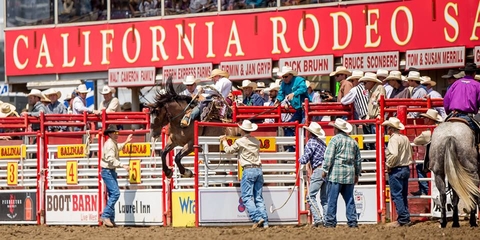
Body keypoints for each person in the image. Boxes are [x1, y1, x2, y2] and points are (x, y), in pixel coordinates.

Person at [220, 120, 268, 229]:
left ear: (242, 129)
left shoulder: (240, 141)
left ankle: (257, 218)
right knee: (258, 197)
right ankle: (265, 222)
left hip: (248, 169)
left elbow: (228, 150)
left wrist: (224, 141)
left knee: (247, 197)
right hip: (258, 169)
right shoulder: (257, 141)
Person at [322, 118, 361, 228]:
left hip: (335, 175)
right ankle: (352, 222)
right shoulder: (353, 142)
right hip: (349, 175)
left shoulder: (334, 140)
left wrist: (325, 170)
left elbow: (329, 157)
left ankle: (330, 222)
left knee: (332, 200)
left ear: (336, 129)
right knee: (349, 199)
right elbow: (358, 160)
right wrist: (357, 174)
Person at [382, 117, 413, 227]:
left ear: (390, 129)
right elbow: (410, 152)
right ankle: (405, 217)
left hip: (397, 169)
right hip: (405, 168)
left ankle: (403, 219)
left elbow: (394, 154)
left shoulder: (393, 139)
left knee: (397, 195)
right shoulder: (404, 138)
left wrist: (389, 164)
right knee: (403, 195)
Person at [100, 125, 132, 227]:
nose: (116, 134)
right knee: (115, 193)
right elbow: (111, 159)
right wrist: (123, 165)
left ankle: (110, 218)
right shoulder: (110, 144)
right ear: (110, 134)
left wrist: (126, 142)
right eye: (115, 133)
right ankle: (105, 215)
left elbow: (117, 148)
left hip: (109, 171)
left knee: (112, 194)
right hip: (108, 171)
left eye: (117, 132)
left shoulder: (112, 143)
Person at [299, 122, 328, 227]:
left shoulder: (311, 142)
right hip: (326, 171)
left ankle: (318, 219)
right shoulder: (322, 143)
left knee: (310, 197)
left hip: (318, 171)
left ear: (310, 132)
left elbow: (305, 158)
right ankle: (327, 220)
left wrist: (299, 160)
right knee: (324, 198)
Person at [411, 109, 443, 196]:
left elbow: (416, 141)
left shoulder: (428, 133)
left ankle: (424, 189)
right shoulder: (441, 130)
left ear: (430, 120)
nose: (424, 120)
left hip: (433, 160)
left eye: (426, 118)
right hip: (443, 158)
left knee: (419, 166)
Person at [443, 63, 480, 136]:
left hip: (453, 114)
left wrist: (448, 112)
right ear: (474, 73)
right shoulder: (477, 85)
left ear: (464, 72)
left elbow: (446, 100)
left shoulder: (455, 83)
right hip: (468, 117)